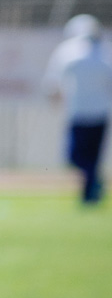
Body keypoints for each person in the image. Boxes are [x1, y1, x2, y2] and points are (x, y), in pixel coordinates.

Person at [44, 14, 112, 204]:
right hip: (84, 112)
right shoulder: (71, 51)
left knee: (85, 157)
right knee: (80, 157)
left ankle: (90, 194)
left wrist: (53, 97)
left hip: (91, 112)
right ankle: (93, 184)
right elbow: (54, 79)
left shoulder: (102, 51)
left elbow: (52, 81)